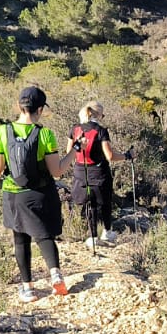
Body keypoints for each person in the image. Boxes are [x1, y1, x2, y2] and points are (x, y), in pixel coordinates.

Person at [0, 85, 78, 301]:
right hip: (40, 193)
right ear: (40, 109)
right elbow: (57, 171)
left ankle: (28, 289)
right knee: (44, 235)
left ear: (19, 106)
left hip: (14, 194)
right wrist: (74, 151)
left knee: (20, 239)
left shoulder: (2, 132)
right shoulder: (45, 134)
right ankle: (56, 275)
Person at [66, 102, 121, 249]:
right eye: (102, 115)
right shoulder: (101, 131)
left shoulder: (75, 129)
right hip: (99, 172)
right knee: (104, 201)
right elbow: (109, 156)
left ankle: (92, 237)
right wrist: (127, 156)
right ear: (97, 115)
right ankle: (107, 232)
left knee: (89, 203)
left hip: (80, 171)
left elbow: (69, 152)